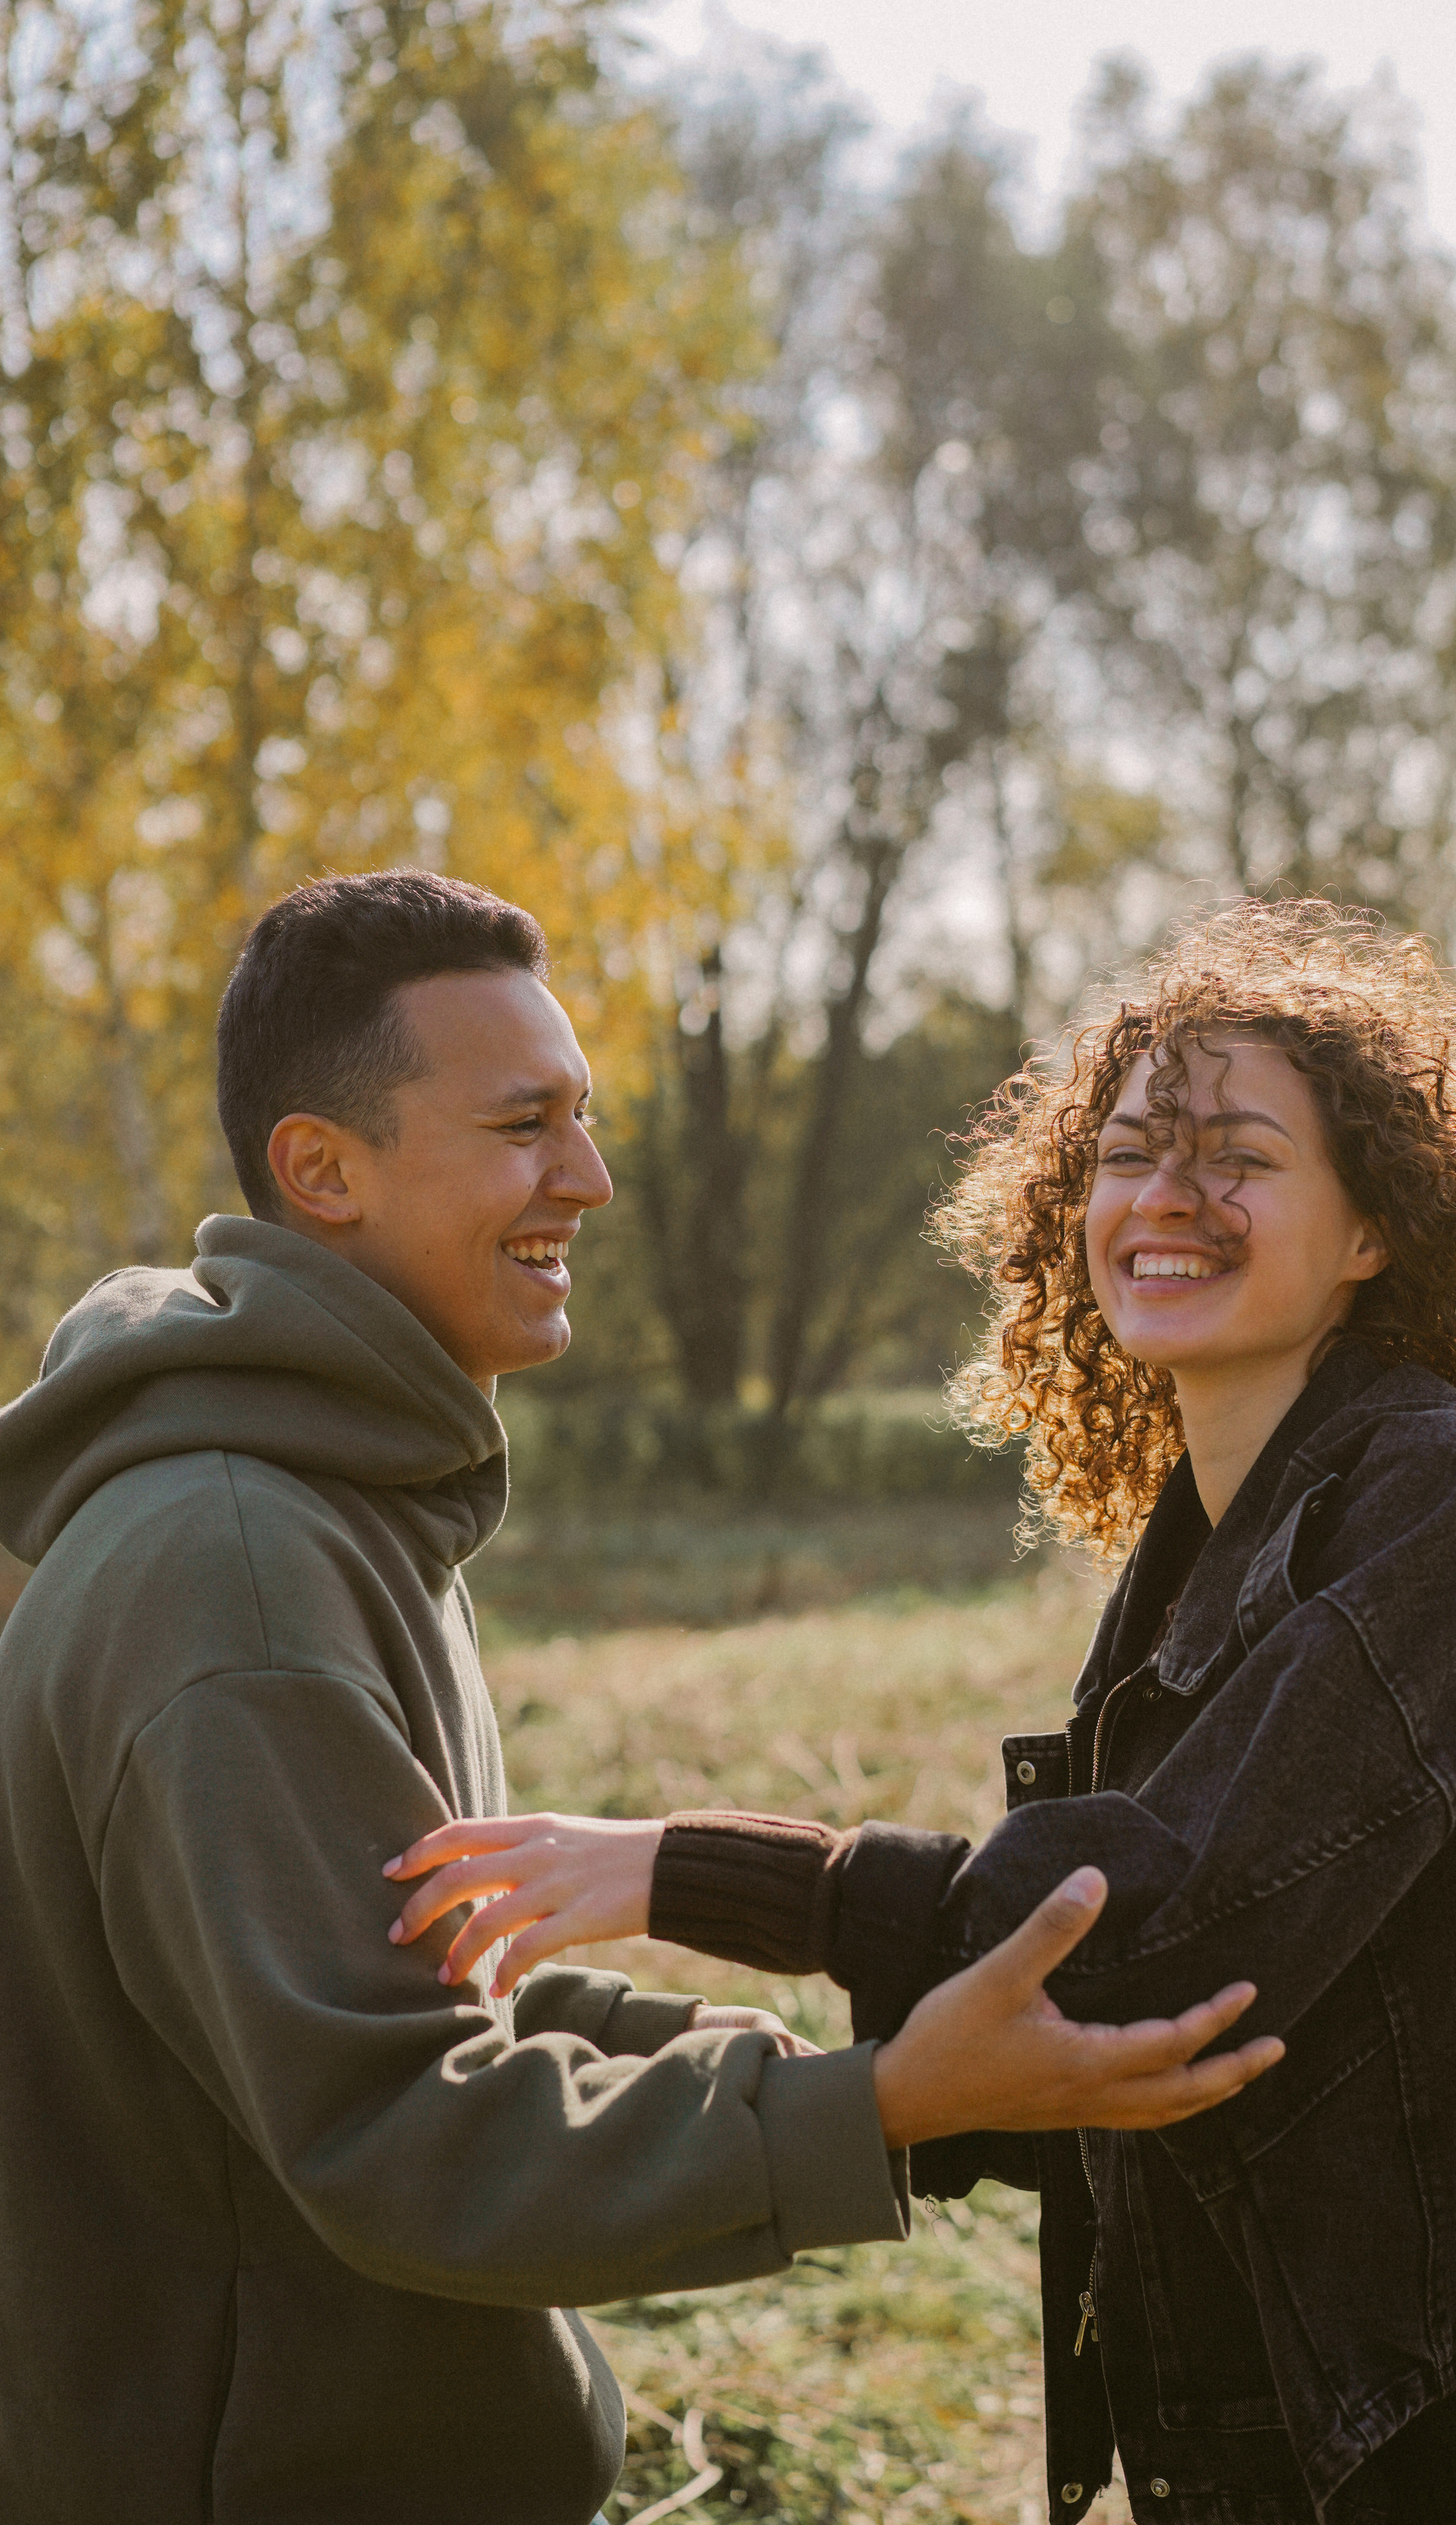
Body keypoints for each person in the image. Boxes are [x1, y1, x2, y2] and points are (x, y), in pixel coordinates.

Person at [0, 870, 1281, 2525]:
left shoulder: (317, 1504)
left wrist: (750, 2057)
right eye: (525, 1122)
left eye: (583, 1118)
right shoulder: (238, 1574)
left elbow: (404, 1986)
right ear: (323, 1169)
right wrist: (876, 2103)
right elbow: (398, 2132)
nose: (588, 1178)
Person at [389, 900, 1456, 2525]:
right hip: (1285, 2413)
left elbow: (1157, 1935)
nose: (1167, 1196)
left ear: (1373, 1229)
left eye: (1239, 1156)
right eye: (1134, 1148)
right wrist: (822, 2089)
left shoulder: (1443, 1503)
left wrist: (694, 1869)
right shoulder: (1212, 1529)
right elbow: (1147, 2056)